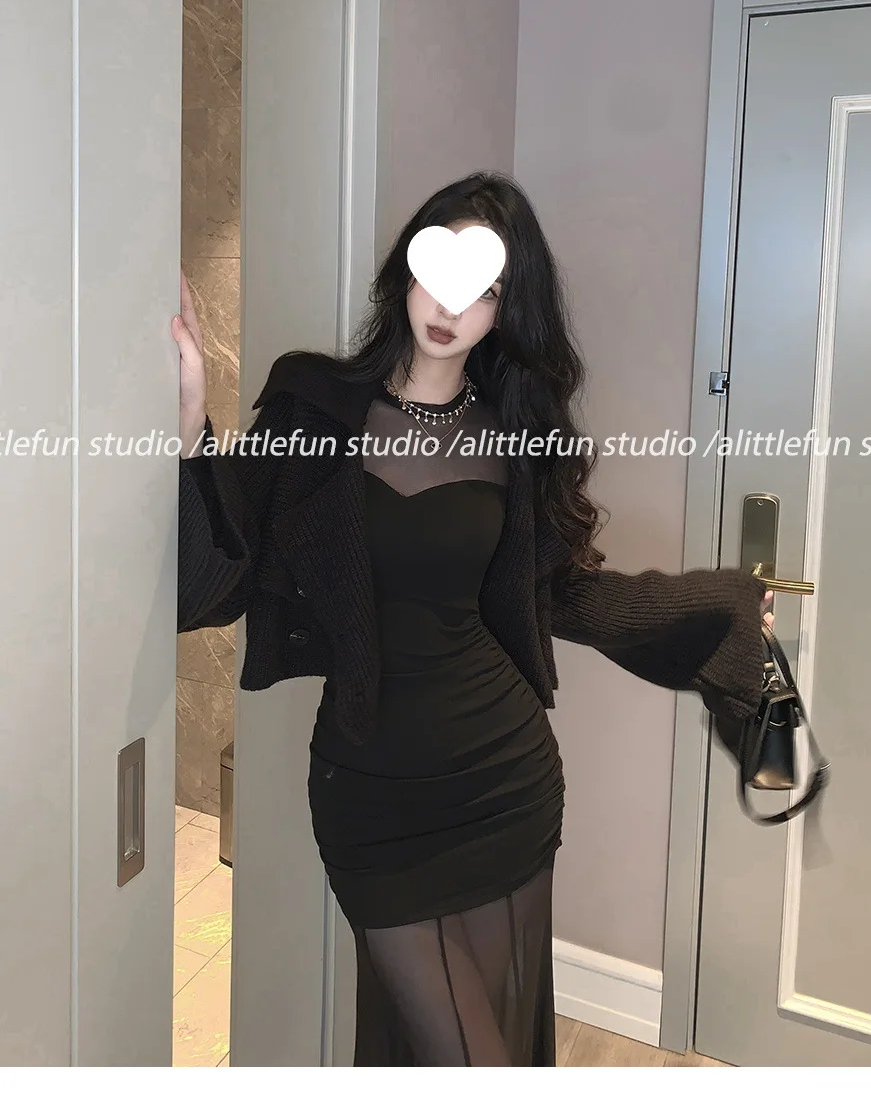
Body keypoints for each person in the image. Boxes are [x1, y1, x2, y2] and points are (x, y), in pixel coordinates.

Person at [172, 171, 773, 1067]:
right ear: (405, 272)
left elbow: (563, 596)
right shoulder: (312, 405)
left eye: (485, 289)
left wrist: (719, 605)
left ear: (506, 313)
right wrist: (189, 429)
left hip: (501, 782)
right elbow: (212, 587)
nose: (452, 305)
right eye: (439, 271)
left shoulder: (512, 437)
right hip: (372, 795)